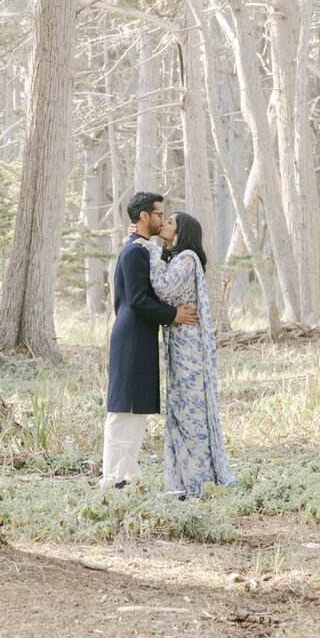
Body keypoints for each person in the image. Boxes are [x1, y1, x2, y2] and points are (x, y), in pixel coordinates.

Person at [103, 191, 197, 488]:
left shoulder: (142, 249)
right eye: (159, 214)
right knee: (123, 409)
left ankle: (128, 474)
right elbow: (138, 300)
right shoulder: (134, 252)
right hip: (130, 336)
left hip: (141, 335)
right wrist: (173, 315)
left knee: (137, 408)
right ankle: (113, 477)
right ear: (144, 217)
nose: (161, 219)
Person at [146, 211, 234, 499]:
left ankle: (199, 484)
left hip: (189, 350)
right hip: (179, 345)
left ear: (181, 233)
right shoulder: (176, 258)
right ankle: (184, 482)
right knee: (180, 412)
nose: (164, 224)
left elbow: (164, 288)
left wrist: (149, 252)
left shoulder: (186, 259)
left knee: (191, 414)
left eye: (170, 222)